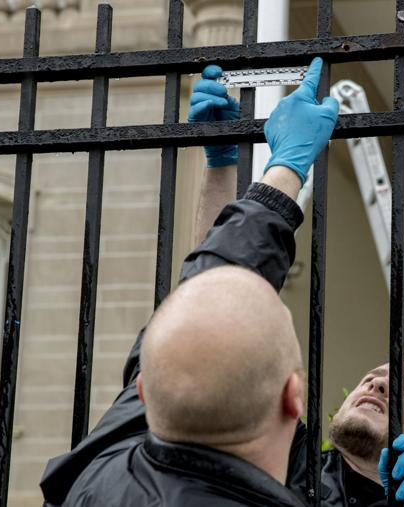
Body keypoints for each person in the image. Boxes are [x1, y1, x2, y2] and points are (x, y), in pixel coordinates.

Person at [40, 58, 336, 506]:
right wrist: (284, 167)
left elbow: (204, 304)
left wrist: (233, 167)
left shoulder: (93, 478)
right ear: (293, 398)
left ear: (144, 391)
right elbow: (208, 303)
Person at [190, 62, 404, 507]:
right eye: (372, 379)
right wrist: (221, 166)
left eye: (402, 391)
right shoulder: (282, 458)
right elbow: (210, 313)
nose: (376, 386)